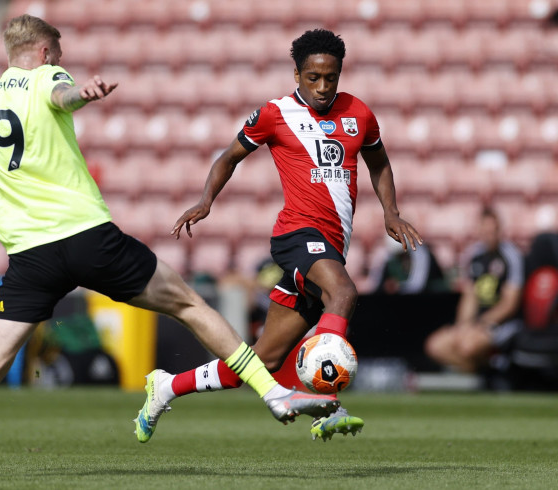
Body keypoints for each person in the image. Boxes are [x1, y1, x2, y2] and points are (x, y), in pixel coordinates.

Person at [0, 15, 340, 479]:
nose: (60, 60)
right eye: (56, 53)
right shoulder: (46, 79)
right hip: (85, 237)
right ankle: (273, 394)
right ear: (41, 50)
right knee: (189, 303)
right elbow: (62, 95)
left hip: (30, 256)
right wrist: (81, 93)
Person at [136, 29, 422, 443]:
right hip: (296, 235)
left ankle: (164, 387)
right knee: (342, 293)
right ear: (296, 74)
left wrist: (391, 212)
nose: (322, 87)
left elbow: (379, 162)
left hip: (331, 246)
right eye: (313, 77)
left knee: (262, 361)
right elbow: (228, 157)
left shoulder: (359, 113)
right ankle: (327, 400)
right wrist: (205, 201)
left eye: (331, 77)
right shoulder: (274, 114)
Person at [424, 208, 523, 373]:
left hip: (500, 325)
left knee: (468, 347)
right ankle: (478, 371)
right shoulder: (474, 255)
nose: (489, 235)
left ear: (500, 230)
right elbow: (470, 296)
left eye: (493, 231)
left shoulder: (511, 256)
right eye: (486, 231)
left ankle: (486, 370)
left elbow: (510, 304)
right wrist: (464, 325)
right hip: (477, 324)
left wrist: (481, 323)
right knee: (435, 346)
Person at [369, 236, 447, 294]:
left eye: (402, 255)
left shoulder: (423, 255)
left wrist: (399, 287)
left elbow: (418, 285)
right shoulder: (391, 258)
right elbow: (379, 285)